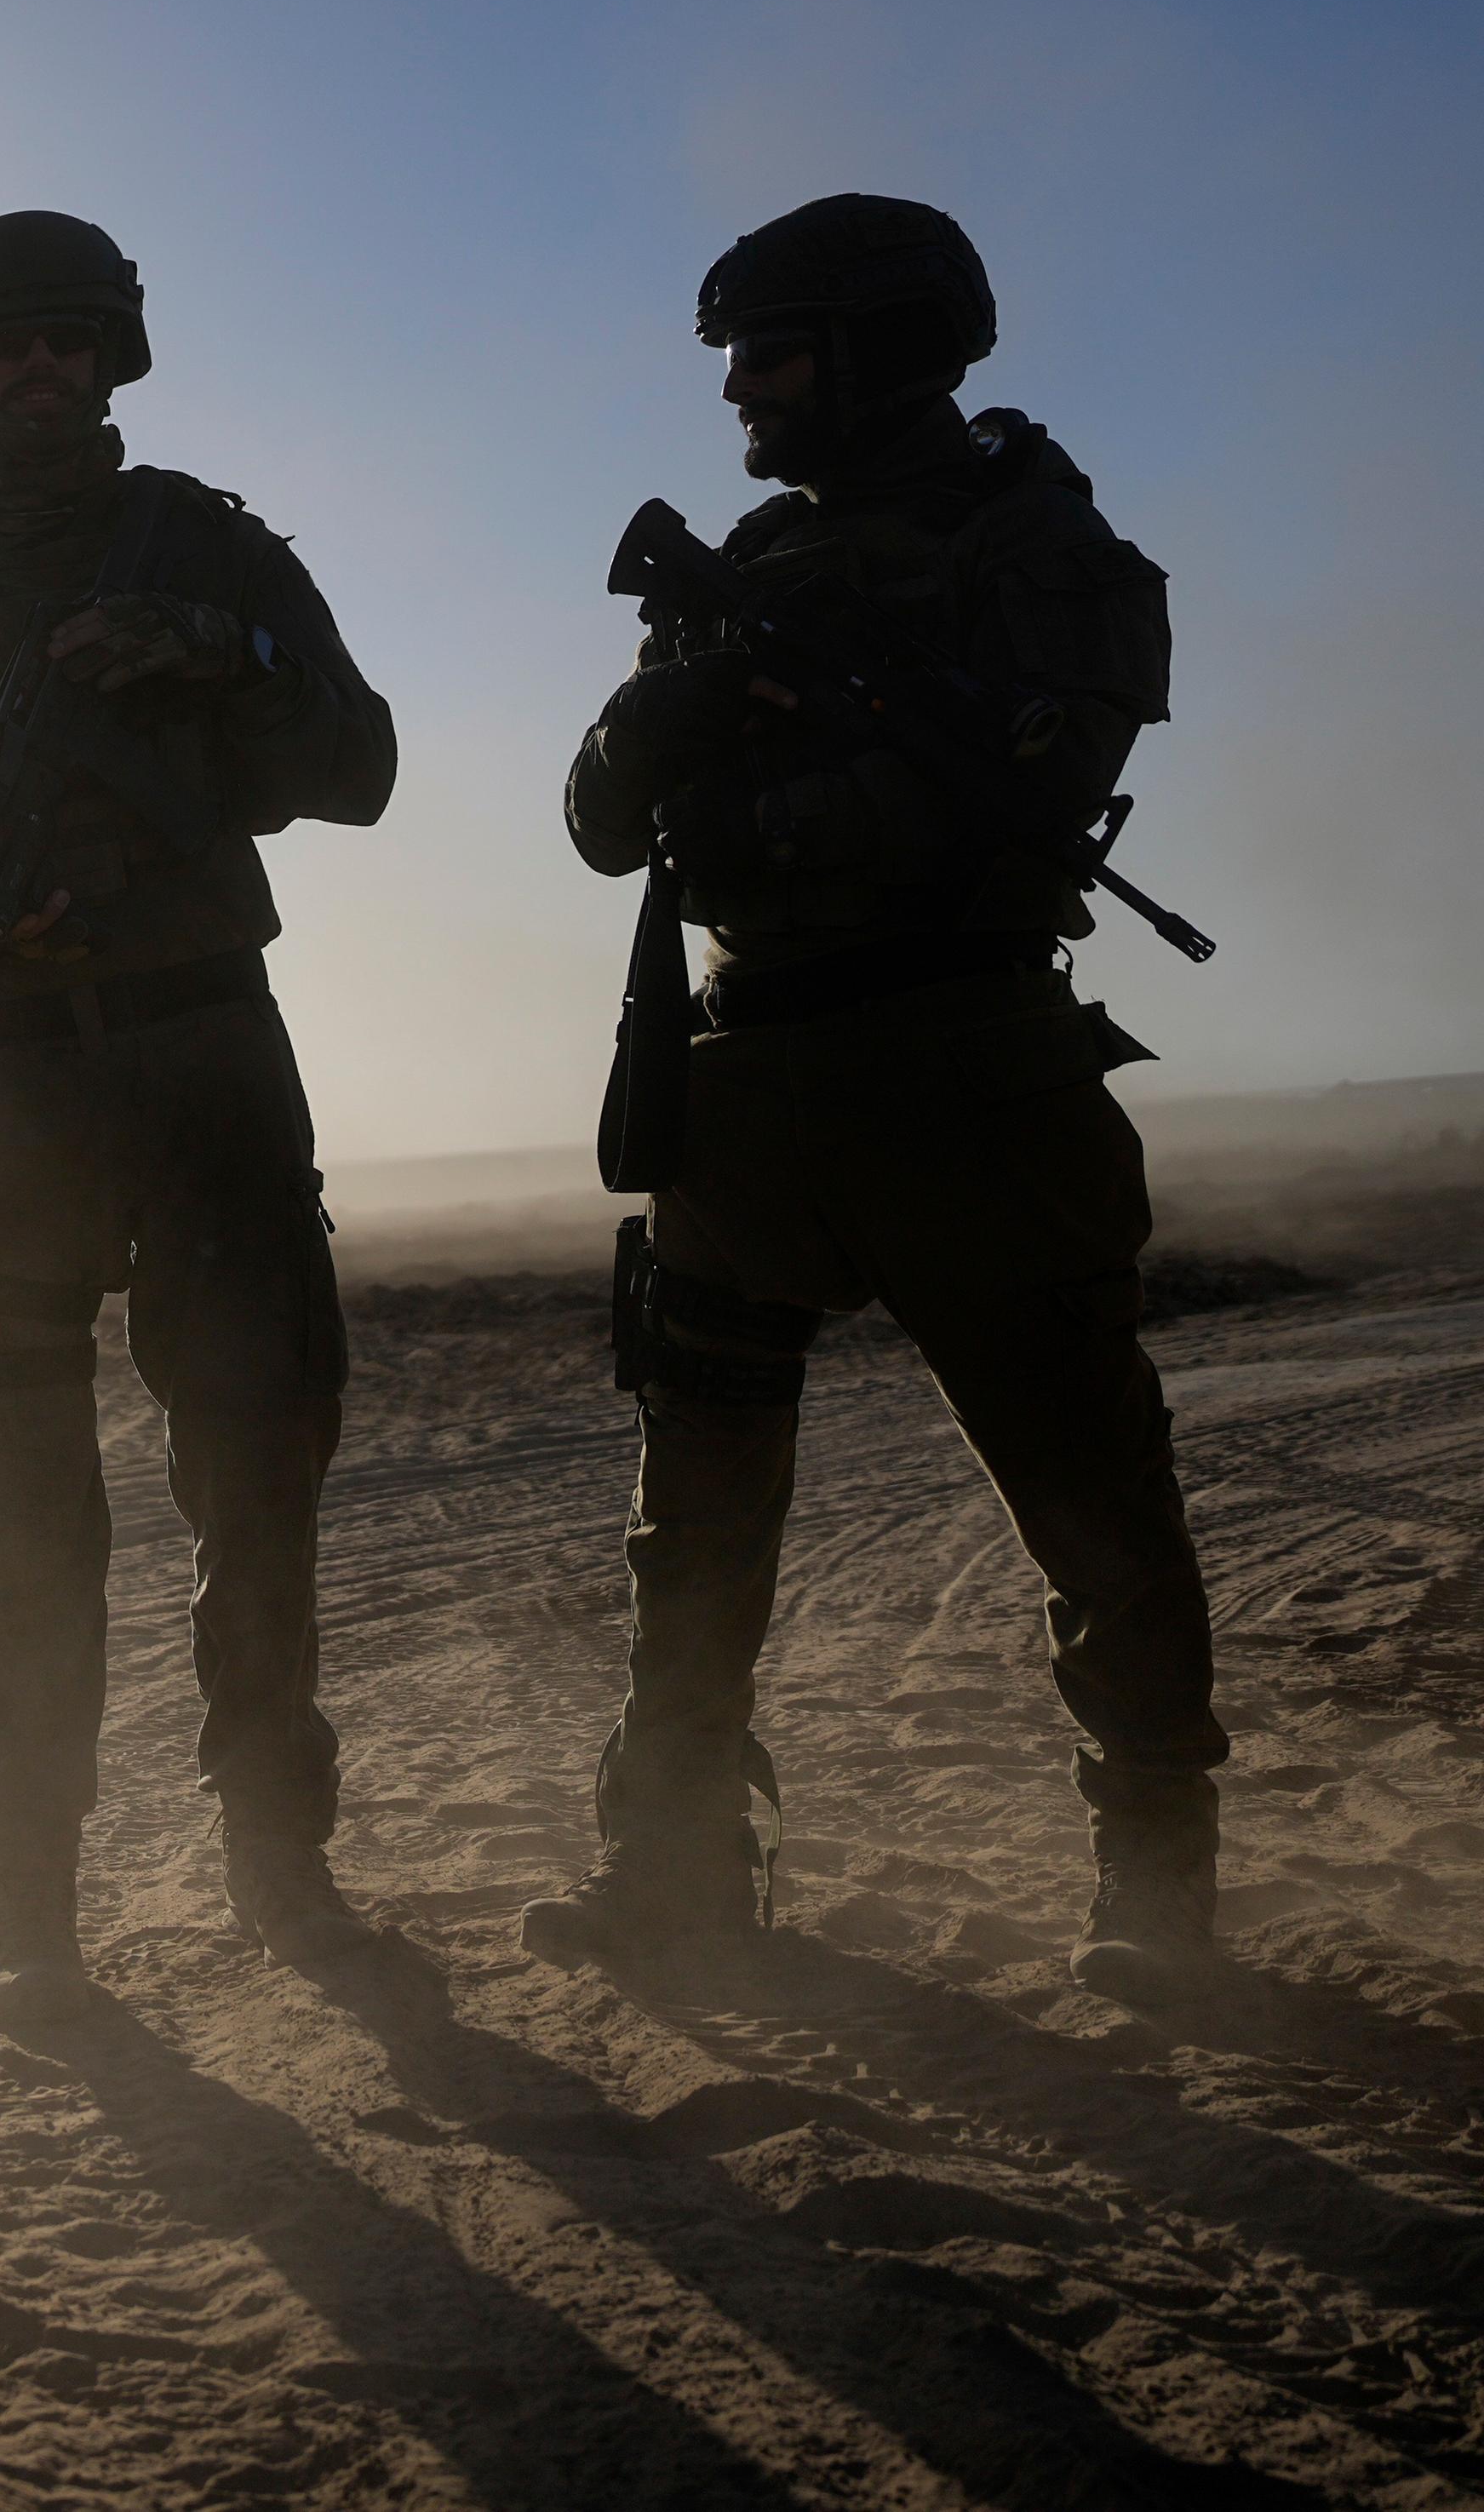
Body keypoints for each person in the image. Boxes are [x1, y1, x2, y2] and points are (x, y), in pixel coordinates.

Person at [525, 194, 1224, 2003]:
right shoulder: (740, 561)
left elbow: (1036, 779)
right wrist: (666, 717)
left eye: (770, 349)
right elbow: (604, 819)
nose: (740, 389)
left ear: (884, 343)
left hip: (964, 1074)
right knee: (692, 1511)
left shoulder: (1037, 543)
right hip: (744, 1082)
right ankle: (670, 1862)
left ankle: (1155, 1888)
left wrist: (781, 792)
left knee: (1088, 1490)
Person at [0, 214, 399, 2027]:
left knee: (257, 1473)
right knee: (25, 1510)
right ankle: (30, 1918)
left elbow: (352, 768)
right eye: (4, 347)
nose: (36, 372)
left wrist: (211, 654)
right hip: (12, 1077)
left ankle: (280, 1858)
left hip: (207, 1058)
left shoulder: (213, 552)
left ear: (111, 357)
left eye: (66, 343)